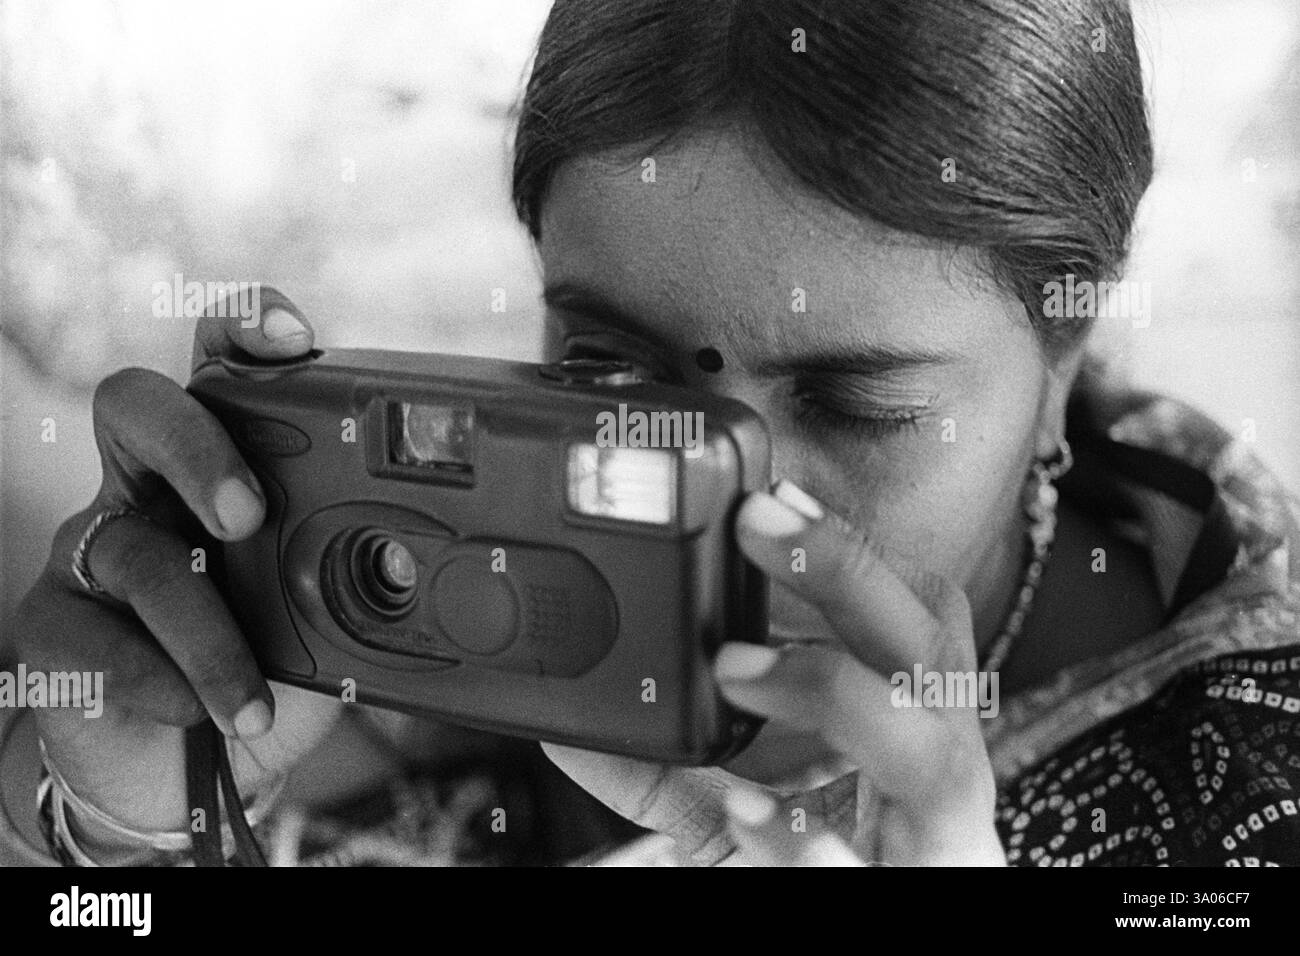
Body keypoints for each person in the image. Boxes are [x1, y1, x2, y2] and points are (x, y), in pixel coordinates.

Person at [6, 0, 1299, 866]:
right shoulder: (372, 577)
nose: (721, 508)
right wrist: (114, 825)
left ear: (1069, 355)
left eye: (861, 406)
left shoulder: (1253, 792)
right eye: (609, 366)